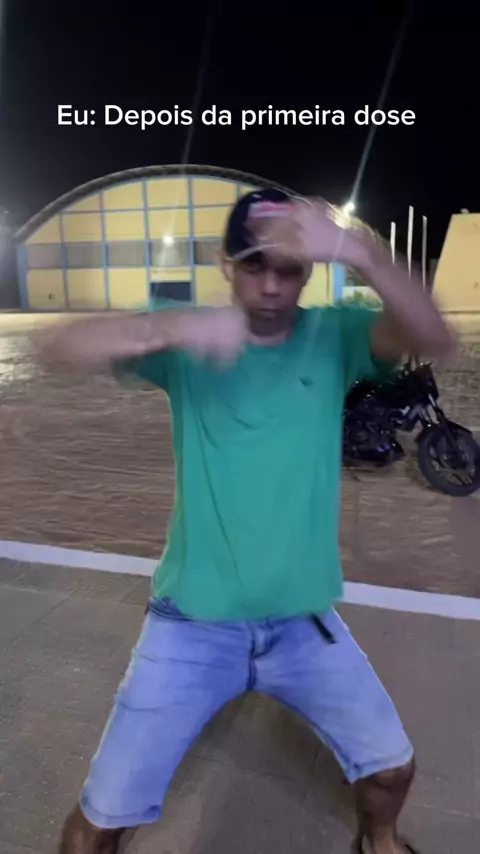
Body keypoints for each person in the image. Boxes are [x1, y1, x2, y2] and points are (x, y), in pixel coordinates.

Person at [41, 189, 454, 854]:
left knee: (392, 772)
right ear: (225, 263)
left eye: (289, 269)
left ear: (309, 272)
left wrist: (362, 253)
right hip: (191, 623)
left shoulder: (333, 336)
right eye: (254, 265)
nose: (270, 286)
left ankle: (378, 842)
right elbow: (59, 348)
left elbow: (435, 337)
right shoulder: (184, 337)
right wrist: (175, 329)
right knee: (98, 825)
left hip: (301, 621)